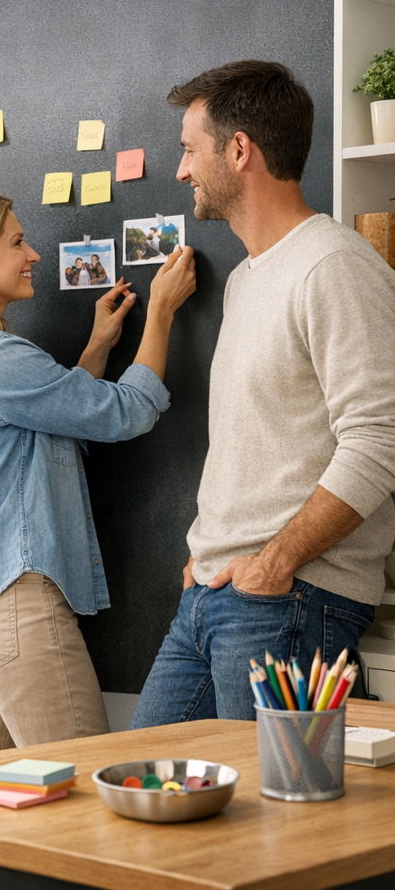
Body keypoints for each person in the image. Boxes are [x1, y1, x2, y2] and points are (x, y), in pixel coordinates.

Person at [130, 61, 395, 728]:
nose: (183, 170)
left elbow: (381, 438)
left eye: (190, 149)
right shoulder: (250, 279)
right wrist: (207, 555)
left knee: (269, 826)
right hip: (213, 594)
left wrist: (278, 560)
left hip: (291, 597)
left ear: (239, 149)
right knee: (143, 798)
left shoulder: (334, 265)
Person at [0, 192, 196, 755]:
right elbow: (126, 412)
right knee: (81, 776)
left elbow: (51, 419)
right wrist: (161, 312)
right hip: (13, 605)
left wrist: (98, 345)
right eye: (16, 242)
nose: (33, 253)